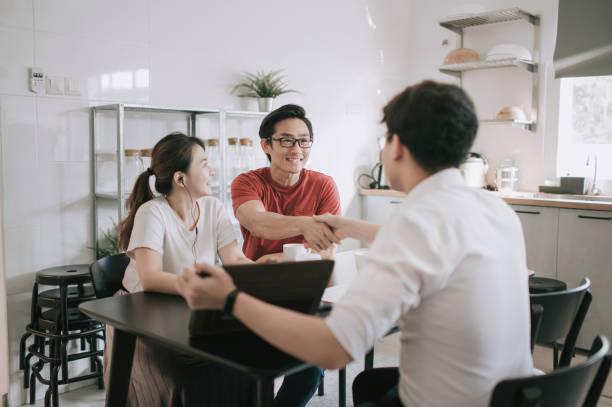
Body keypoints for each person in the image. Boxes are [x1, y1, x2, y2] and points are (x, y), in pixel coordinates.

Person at [176, 81, 534, 407]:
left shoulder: (417, 221)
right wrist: (349, 226)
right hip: (509, 396)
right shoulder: (496, 209)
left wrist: (229, 299)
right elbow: (436, 243)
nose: (296, 148)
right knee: (368, 385)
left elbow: (331, 349)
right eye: (287, 140)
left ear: (396, 146)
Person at [109, 132, 254, 406]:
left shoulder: (213, 207)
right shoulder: (152, 212)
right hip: (141, 312)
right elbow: (150, 278)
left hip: (188, 307)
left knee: (239, 365)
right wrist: (198, 287)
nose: (212, 170)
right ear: (180, 178)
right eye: (204, 163)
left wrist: (267, 277)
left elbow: (235, 259)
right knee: (194, 373)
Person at [231, 104, 342, 263]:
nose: (297, 150)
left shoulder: (324, 185)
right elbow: (257, 223)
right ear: (266, 145)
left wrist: (277, 259)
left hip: (308, 276)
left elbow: (328, 250)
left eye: (303, 141)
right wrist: (306, 224)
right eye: (287, 140)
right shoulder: (247, 182)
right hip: (258, 277)